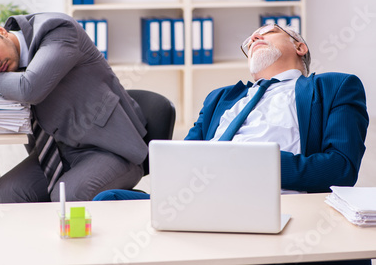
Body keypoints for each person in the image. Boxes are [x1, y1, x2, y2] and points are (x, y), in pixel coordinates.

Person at [94, 23, 369, 196]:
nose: (255, 37)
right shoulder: (220, 98)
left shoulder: (335, 86)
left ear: (300, 46)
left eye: (268, 31)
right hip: (201, 197)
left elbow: (340, 167)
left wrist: (246, 163)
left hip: (273, 199)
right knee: (108, 201)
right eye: (249, 42)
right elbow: (184, 156)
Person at [0, 12, 149, 203]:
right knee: (6, 194)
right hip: (60, 152)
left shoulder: (58, 31)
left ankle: (122, 207)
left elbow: (31, 88)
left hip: (112, 149)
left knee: (67, 197)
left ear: (0, 31)